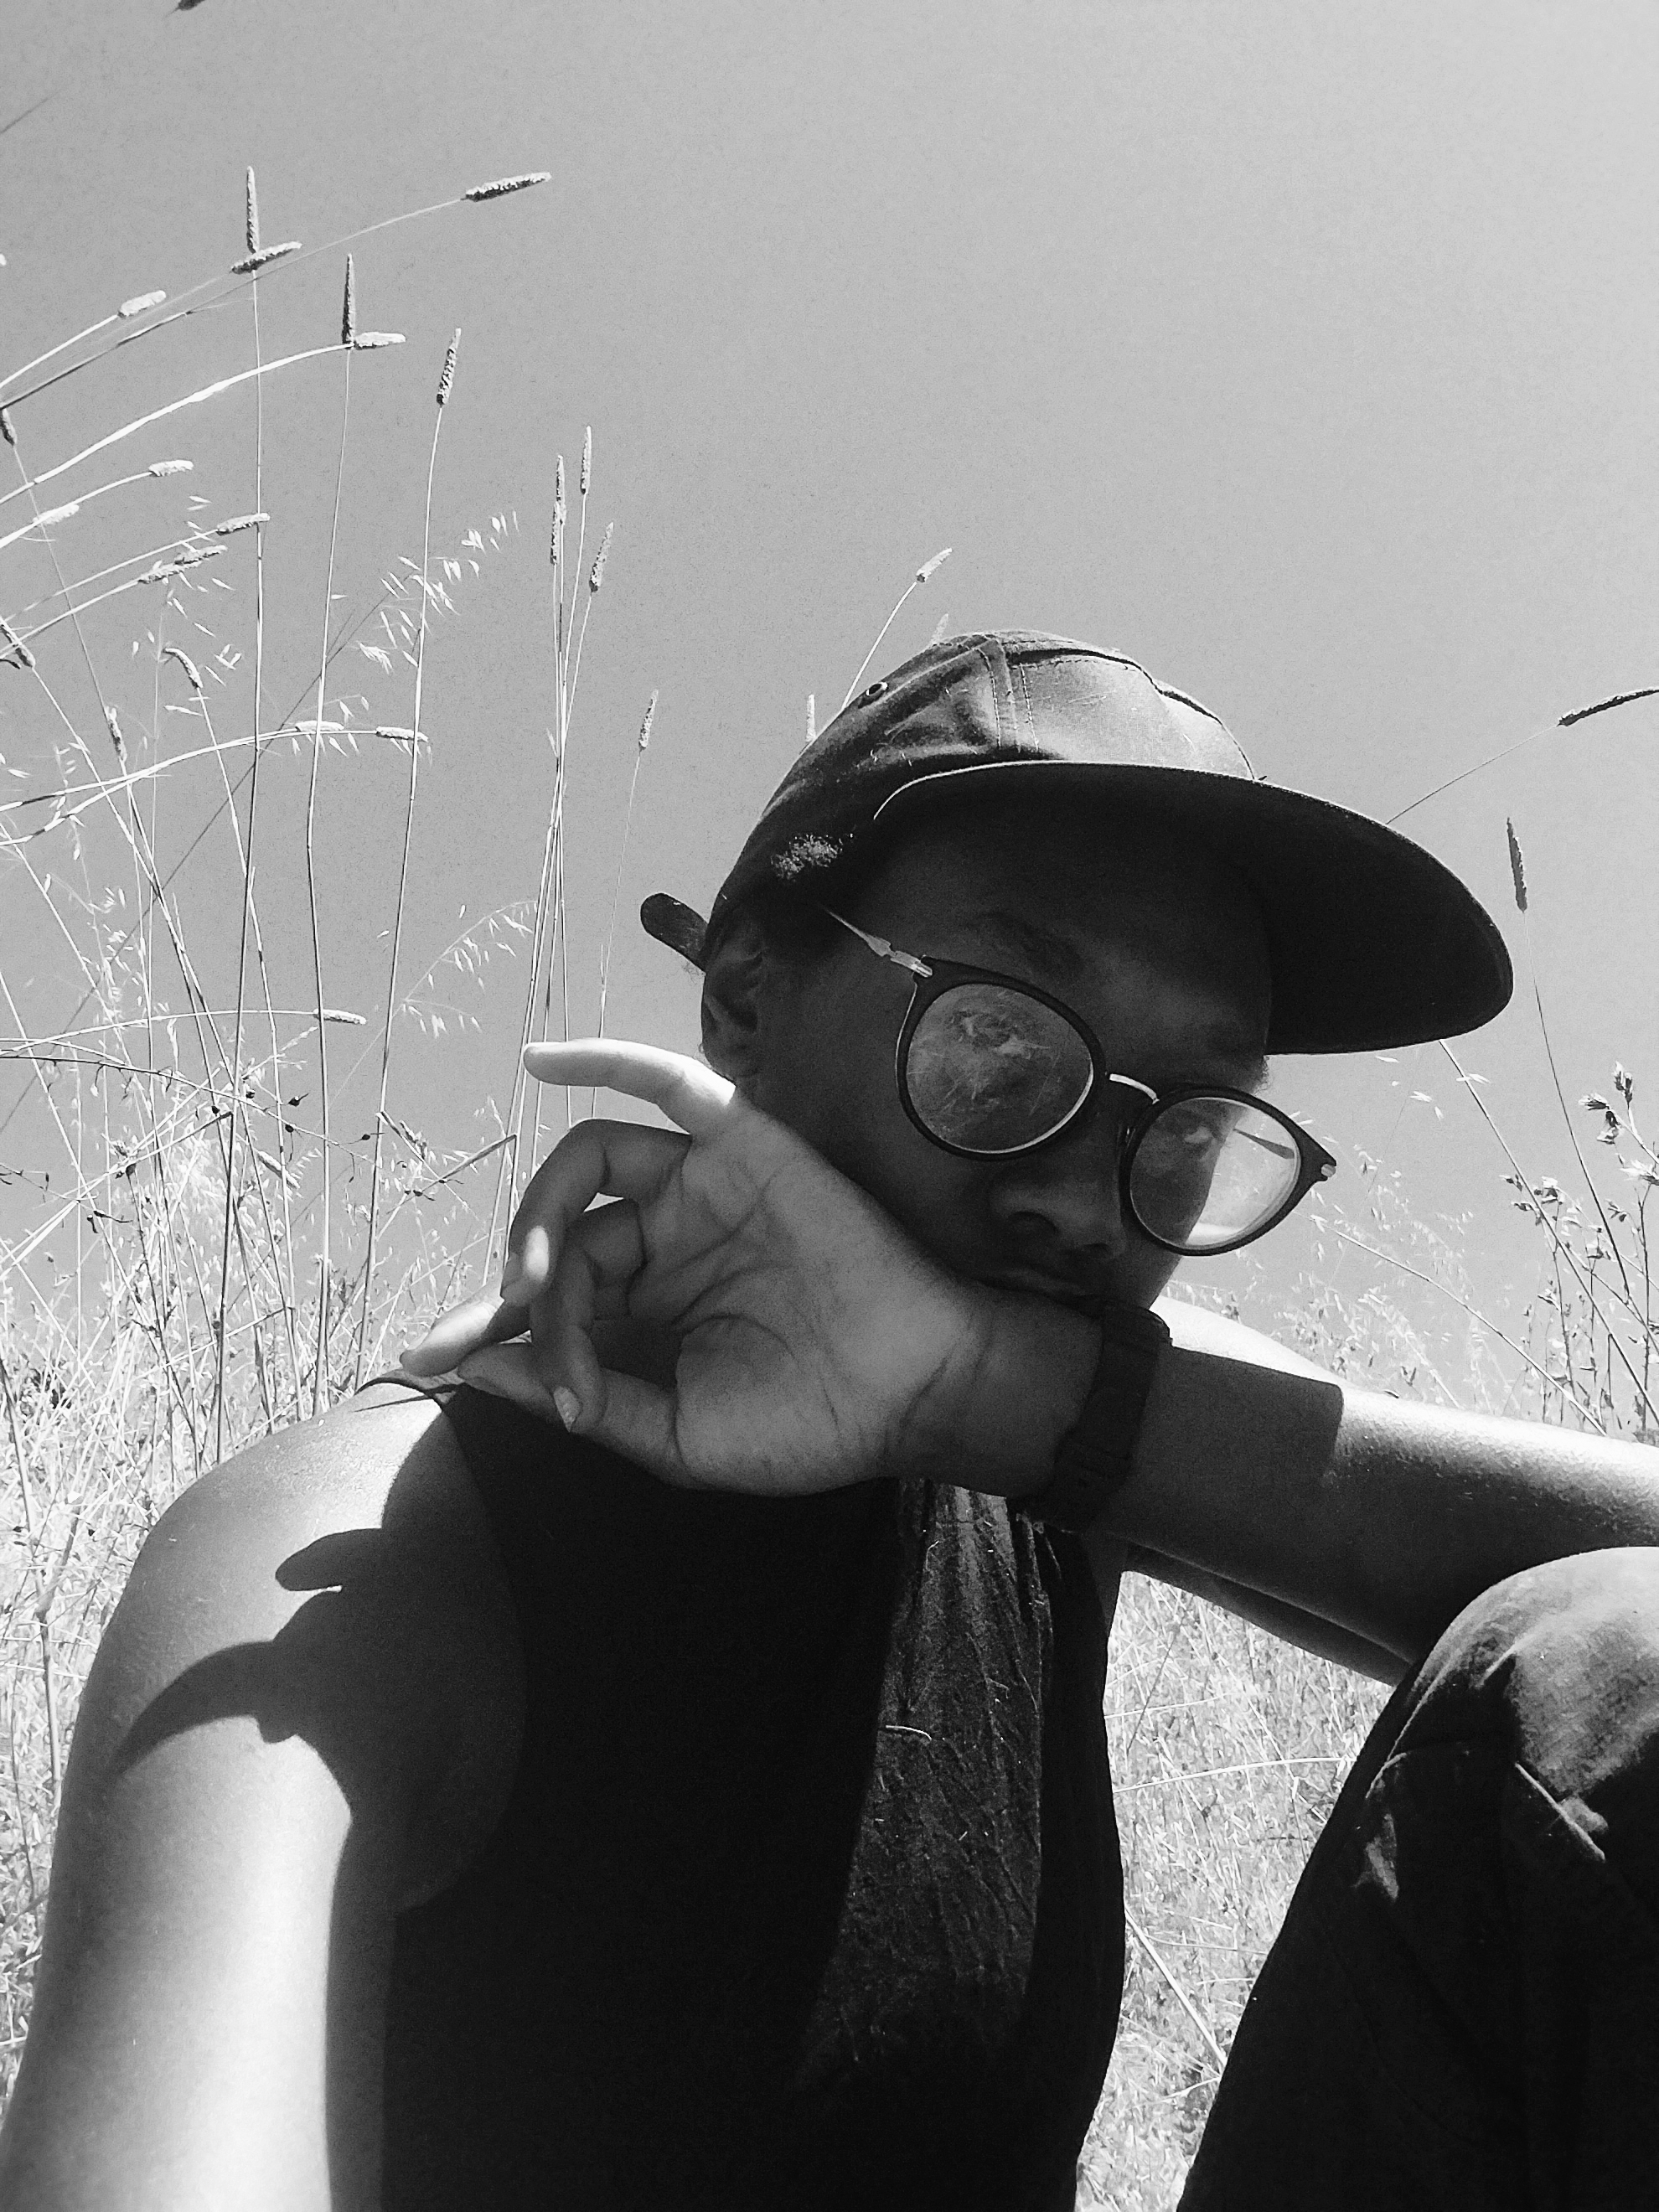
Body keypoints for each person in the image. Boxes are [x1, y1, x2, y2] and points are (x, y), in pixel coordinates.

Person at [3, 633, 1656, 2210]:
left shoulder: (1047, 1441)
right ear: (743, 1003)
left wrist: (984, 1394)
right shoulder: (352, 1563)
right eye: (1000, 1043)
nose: (1093, 1201)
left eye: (1193, 1128)